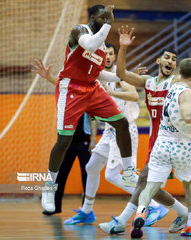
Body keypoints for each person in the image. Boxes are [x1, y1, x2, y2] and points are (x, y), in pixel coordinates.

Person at [98, 26, 191, 235]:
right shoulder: (148, 82)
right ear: (159, 62)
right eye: (167, 58)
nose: (171, 61)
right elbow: (121, 73)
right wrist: (123, 49)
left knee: (146, 184)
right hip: (157, 139)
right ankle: (182, 213)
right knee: (149, 186)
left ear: (176, 66)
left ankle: (122, 221)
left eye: (174, 59)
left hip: (173, 138)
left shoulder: (177, 82)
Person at [41, 5, 137, 216]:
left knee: (122, 123)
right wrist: (110, 22)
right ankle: (49, 189)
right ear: (93, 17)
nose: (105, 19)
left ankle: (129, 171)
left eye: (107, 16)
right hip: (71, 88)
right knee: (64, 141)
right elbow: (90, 45)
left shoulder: (102, 47)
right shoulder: (79, 31)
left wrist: (124, 76)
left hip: (92, 88)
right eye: (102, 16)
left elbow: (100, 73)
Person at [64, 43, 169, 226]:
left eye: (111, 54)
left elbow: (135, 96)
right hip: (109, 131)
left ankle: (153, 205)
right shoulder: (97, 75)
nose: (108, 57)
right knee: (92, 167)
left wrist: (111, 91)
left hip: (125, 129)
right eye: (105, 54)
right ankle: (87, 211)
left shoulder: (120, 75)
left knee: (113, 175)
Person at [130, 58, 191, 238]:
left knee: (150, 187)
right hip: (181, 145)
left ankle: (140, 212)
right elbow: (189, 116)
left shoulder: (172, 85)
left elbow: (188, 111)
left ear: (179, 72)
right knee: (189, 185)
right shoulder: (187, 93)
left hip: (162, 143)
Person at [31, 60, 97, 215]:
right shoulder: (66, 90)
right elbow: (58, 82)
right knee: (60, 173)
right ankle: (55, 205)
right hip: (67, 139)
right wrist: (48, 76)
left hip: (83, 139)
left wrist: (93, 139)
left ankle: (85, 208)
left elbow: (94, 118)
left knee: (86, 172)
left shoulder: (88, 90)